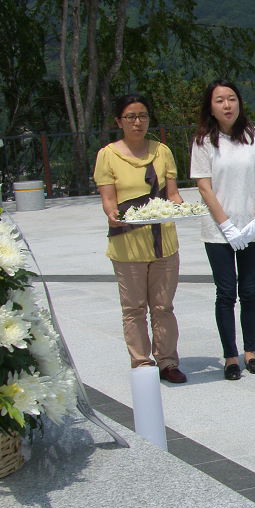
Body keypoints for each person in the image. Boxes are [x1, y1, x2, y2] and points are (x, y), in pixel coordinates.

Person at [94, 93, 187, 384]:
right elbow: (108, 200)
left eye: (143, 116)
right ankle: (141, 361)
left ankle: (168, 361)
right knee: (133, 307)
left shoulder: (162, 151)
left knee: (163, 306)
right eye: (131, 117)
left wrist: (184, 209)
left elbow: (172, 194)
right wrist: (112, 214)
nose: (138, 122)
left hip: (164, 241)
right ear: (119, 121)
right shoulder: (108, 155)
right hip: (128, 243)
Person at [190, 80, 255, 381]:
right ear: (210, 108)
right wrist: (225, 224)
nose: (227, 105)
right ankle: (230, 356)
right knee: (226, 293)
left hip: (252, 227)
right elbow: (204, 185)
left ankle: (250, 351)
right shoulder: (203, 142)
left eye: (231, 99)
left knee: (250, 290)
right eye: (219, 100)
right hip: (218, 231)